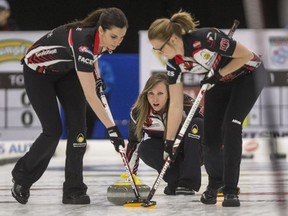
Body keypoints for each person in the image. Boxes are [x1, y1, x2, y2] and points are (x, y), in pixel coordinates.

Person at [147, 11, 270, 207]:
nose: (159, 54)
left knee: (231, 126)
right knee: (210, 134)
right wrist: (169, 141)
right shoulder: (174, 65)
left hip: (249, 75)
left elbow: (246, 55)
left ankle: (230, 189)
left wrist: (219, 73)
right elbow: (176, 105)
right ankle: (216, 183)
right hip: (219, 82)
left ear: (171, 40)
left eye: (159, 49)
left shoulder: (206, 39)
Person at [11, 7, 128, 205]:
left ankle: (74, 190)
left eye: (122, 37)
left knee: (79, 129)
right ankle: (21, 178)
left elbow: (95, 56)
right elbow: (92, 97)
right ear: (101, 30)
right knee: (53, 131)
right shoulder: (82, 44)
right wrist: (112, 129)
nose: (117, 42)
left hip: (66, 72)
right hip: (38, 73)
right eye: (114, 37)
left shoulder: (98, 39)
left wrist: (96, 76)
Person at [126, 73, 203, 195]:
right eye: (151, 93)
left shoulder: (186, 103)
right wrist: (130, 178)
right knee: (145, 148)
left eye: (160, 94)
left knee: (197, 124)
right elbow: (134, 144)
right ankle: (175, 181)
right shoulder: (138, 113)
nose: (155, 99)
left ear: (169, 94)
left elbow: (208, 130)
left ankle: (187, 183)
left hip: (193, 150)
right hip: (169, 152)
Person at [86, 60, 115, 139]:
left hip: (101, 98)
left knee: (107, 115)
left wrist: (99, 94)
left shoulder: (104, 66)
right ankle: (85, 138)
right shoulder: (83, 65)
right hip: (87, 101)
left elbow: (109, 83)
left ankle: (110, 138)